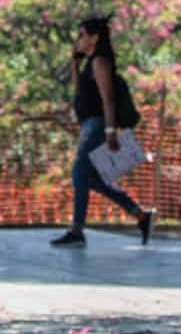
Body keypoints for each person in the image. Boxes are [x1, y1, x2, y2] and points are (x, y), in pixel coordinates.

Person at [50, 15, 153, 248]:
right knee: (91, 179)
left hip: (98, 125)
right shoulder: (89, 62)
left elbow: (108, 100)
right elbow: (79, 92)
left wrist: (109, 131)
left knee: (78, 174)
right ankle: (140, 215)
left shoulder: (100, 61)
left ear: (94, 38)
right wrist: (75, 63)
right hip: (88, 124)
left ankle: (76, 231)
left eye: (82, 35)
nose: (78, 40)